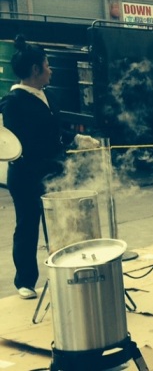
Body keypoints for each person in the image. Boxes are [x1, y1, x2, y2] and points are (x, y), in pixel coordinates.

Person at [0, 35, 99, 299]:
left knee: (59, 225)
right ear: (35, 70)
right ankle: (25, 281)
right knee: (28, 225)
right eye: (47, 65)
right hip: (27, 176)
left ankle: (64, 272)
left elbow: (55, 130)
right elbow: (24, 142)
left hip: (53, 172)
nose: (50, 69)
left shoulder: (48, 96)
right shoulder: (13, 103)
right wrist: (59, 152)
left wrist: (77, 138)